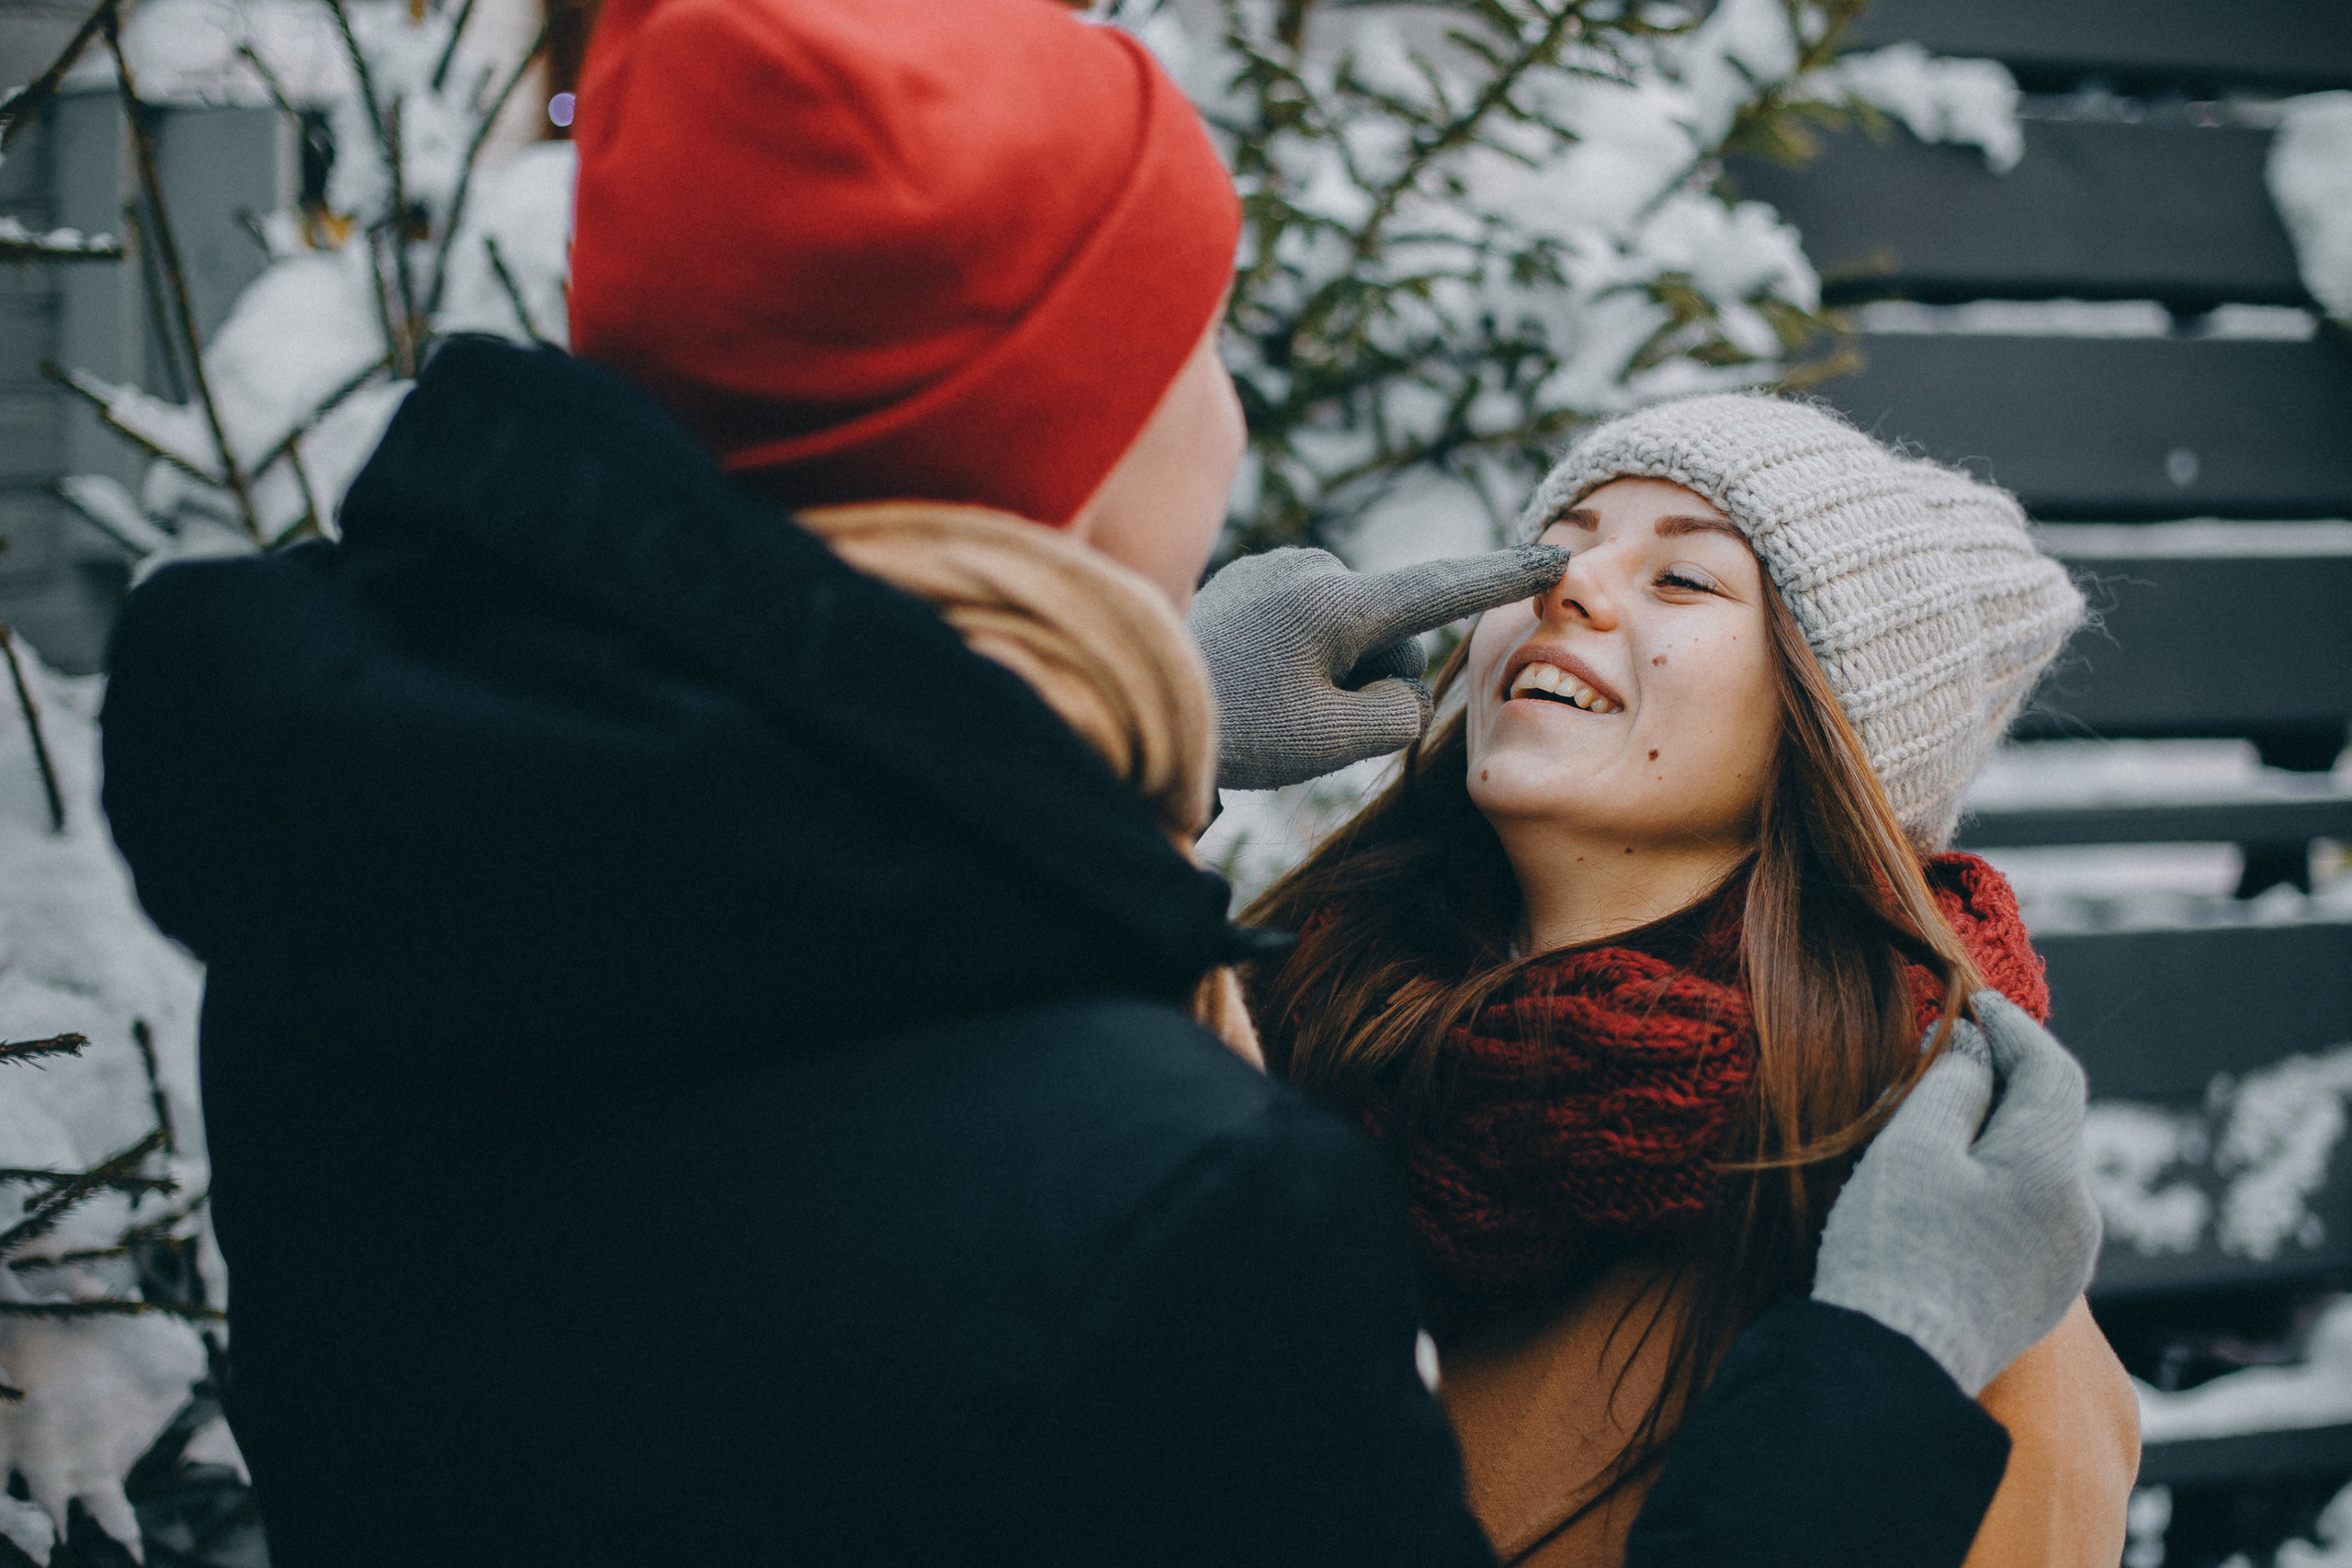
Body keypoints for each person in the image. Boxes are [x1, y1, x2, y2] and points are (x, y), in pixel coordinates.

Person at [96, 0, 2096, 1562]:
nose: (1567, 589)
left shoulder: (365, 906)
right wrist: (1869, 1384)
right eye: (1190, 330)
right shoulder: (1194, 1179)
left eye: (1685, 573)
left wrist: (1106, 752)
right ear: (1074, 428)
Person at [1245, 393, 2139, 1567]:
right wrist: (1143, 758)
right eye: (1553, 549)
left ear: (1825, 737)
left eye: (1684, 581)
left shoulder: (1945, 1291)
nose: (1564, 586)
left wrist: (1880, 1367)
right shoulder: (1262, 1030)